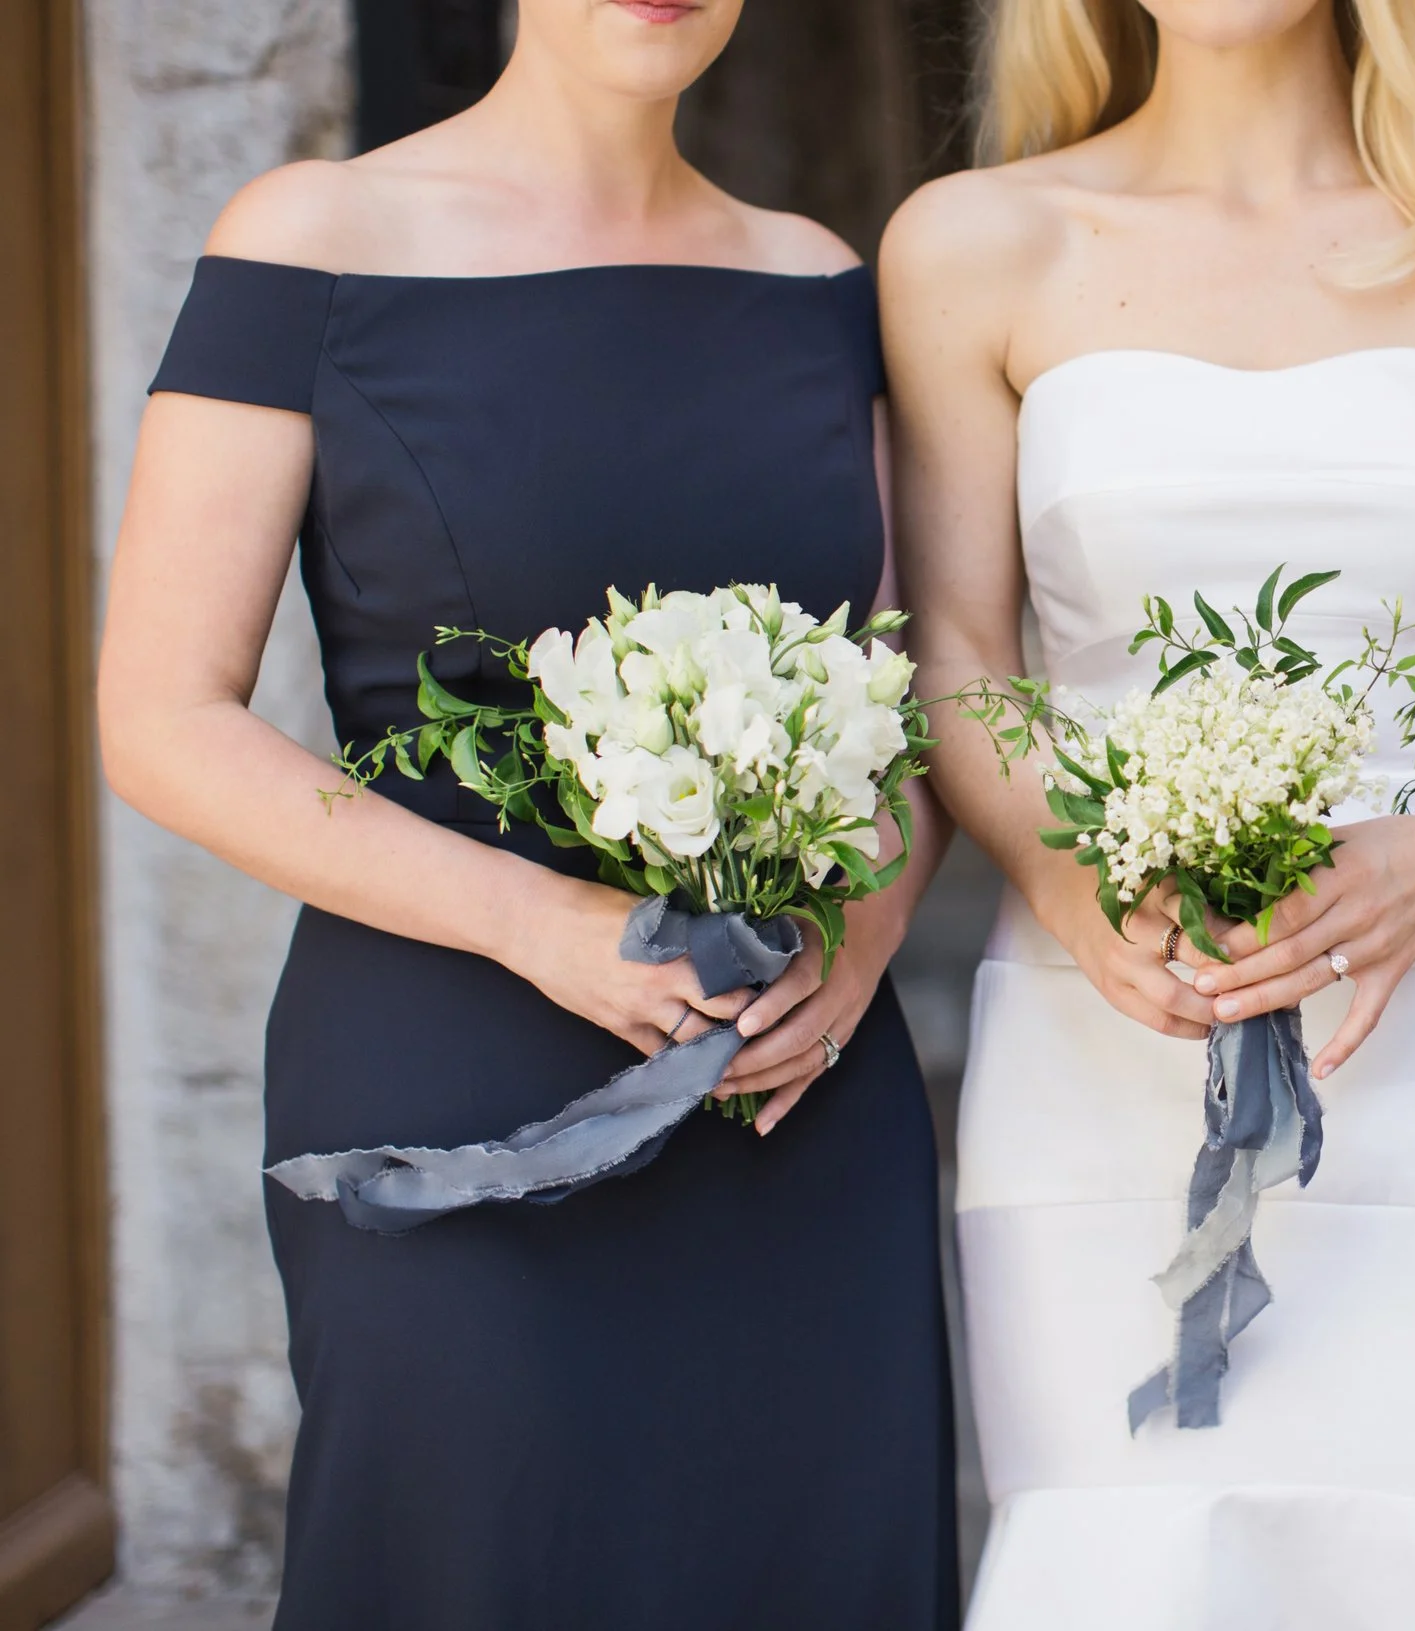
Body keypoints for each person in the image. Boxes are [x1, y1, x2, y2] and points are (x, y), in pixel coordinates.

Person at [94, 1, 956, 1623]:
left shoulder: (816, 280)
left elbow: (898, 720)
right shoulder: (309, 239)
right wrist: (542, 921)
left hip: (793, 1089)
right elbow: (159, 716)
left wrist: (863, 935)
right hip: (453, 1076)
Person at [883, 0, 1415, 1622]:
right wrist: (1066, 870)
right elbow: (955, 658)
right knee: (1121, 1561)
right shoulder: (971, 244)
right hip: (1109, 1045)